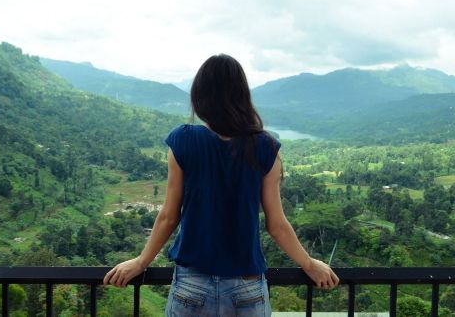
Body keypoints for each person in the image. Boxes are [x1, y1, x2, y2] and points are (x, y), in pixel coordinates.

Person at [103, 54, 339, 316]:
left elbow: (169, 216)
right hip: (247, 286)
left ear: (200, 96)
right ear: (241, 95)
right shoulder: (265, 146)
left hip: (192, 284)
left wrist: (141, 262)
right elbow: (277, 224)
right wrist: (308, 263)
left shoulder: (183, 141)